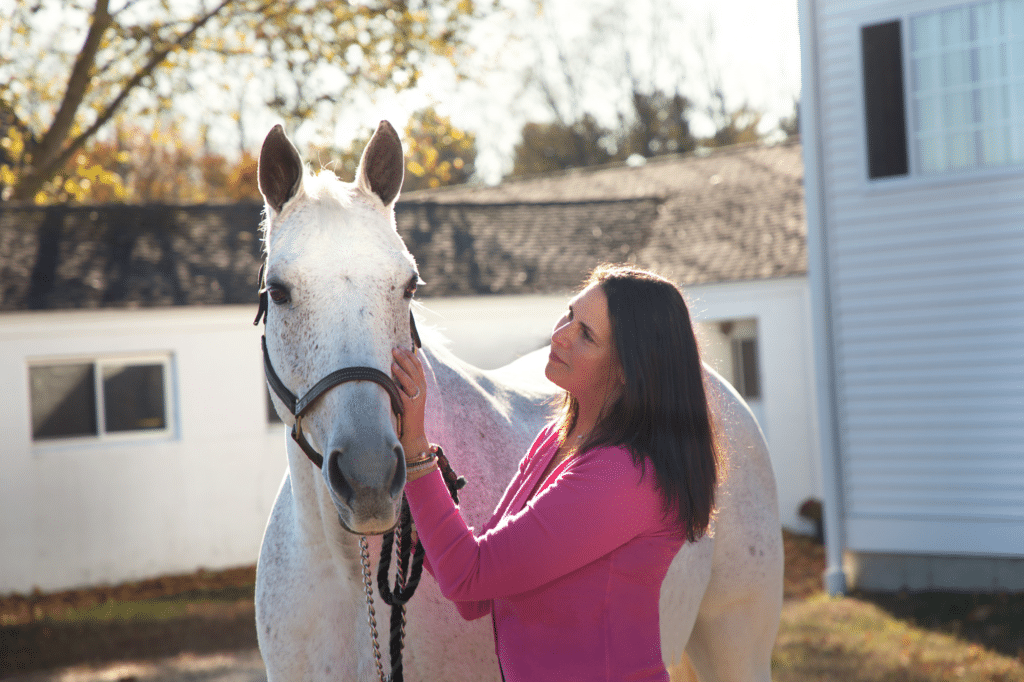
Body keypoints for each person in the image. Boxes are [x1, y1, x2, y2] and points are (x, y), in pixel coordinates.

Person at [390, 263, 719, 682]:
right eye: (569, 314)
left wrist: (416, 450)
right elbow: (475, 597)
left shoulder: (622, 476)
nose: (560, 334)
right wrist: (405, 513)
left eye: (586, 335)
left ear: (626, 370)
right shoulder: (556, 439)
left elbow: (468, 576)